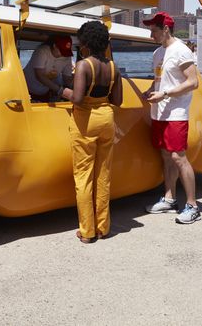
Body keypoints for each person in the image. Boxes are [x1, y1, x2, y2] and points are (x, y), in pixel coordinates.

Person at [61, 21, 123, 243]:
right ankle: (103, 228)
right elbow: (118, 100)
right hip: (107, 119)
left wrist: (60, 89)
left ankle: (87, 231)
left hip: (86, 122)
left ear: (85, 42)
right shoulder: (113, 66)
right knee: (103, 176)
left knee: (84, 177)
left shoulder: (84, 65)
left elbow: (77, 98)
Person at [142, 12, 202, 224]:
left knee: (178, 157)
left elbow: (193, 82)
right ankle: (170, 199)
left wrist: (165, 94)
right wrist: (151, 90)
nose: (151, 35)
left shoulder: (182, 51)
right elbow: (160, 79)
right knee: (166, 156)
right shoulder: (158, 53)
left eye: (154, 31)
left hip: (176, 113)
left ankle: (193, 206)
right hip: (159, 112)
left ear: (165, 29)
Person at [23, 35, 74, 101]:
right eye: (61, 51)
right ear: (54, 46)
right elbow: (40, 76)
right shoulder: (42, 51)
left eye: (66, 52)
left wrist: (75, 86)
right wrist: (60, 90)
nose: (63, 54)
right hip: (26, 89)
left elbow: (66, 79)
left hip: (44, 91)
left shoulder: (67, 57)